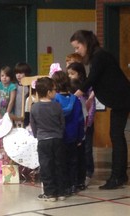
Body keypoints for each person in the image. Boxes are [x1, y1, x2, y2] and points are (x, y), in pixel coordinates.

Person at [70, 30, 130, 189]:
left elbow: (92, 78)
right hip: (120, 99)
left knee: (116, 136)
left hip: (122, 99)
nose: (77, 51)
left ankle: (117, 177)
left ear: (85, 43)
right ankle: (120, 175)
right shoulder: (99, 55)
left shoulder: (100, 56)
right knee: (116, 136)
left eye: (77, 47)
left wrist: (76, 94)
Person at [30, 77, 66, 201]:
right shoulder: (57, 106)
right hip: (57, 139)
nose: (56, 92)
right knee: (59, 164)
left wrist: (37, 136)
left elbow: (33, 125)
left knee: (46, 166)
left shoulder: (34, 107)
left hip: (43, 140)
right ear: (48, 92)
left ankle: (50, 193)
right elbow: (62, 123)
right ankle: (61, 192)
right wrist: (59, 134)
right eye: (54, 90)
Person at [51, 70, 85, 195]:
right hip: (73, 136)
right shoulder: (75, 100)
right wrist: (80, 137)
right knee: (73, 161)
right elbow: (81, 120)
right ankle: (73, 184)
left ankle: (63, 186)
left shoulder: (55, 100)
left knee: (61, 162)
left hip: (59, 136)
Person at [67, 62, 96, 187]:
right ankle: (79, 176)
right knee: (78, 151)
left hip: (87, 125)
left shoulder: (87, 87)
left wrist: (88, 123)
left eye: (72, 73)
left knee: (87, 149)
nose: (70, 76)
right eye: (68, 74)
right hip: (77, 127)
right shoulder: (70, 89)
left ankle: (88, 172)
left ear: (80, 73)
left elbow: (91, 107)